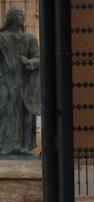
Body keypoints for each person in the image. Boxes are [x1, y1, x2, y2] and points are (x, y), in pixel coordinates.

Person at [0, 8, 40, 155]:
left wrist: (29, 61)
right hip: (5, 81)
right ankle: (4, 146)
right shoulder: (2, 38)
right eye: (18, 14)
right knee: (4, 111)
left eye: (23, 14)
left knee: (25, 116)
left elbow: (38, 59)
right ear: (11, 18)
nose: (22, 17)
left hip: (24, 83)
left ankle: (23, 146)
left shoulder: (30, 39)